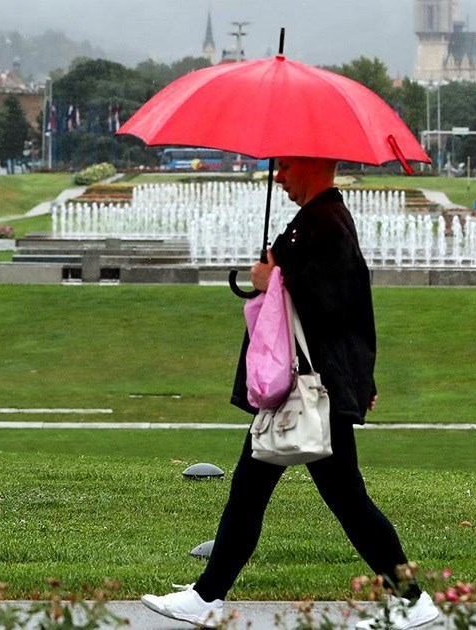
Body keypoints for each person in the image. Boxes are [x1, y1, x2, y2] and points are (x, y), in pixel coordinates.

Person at [141, 156, 439, 629]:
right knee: (252, 488)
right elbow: (345, 308)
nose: (278, 176)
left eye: (285, 167)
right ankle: (207, 595)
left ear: (312, 165)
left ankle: (412, 600)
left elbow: (336, 306)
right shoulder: (316, 221)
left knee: (343, 499)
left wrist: (273, 280)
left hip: (312, 390)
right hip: (306, 387)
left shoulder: (327, 223)